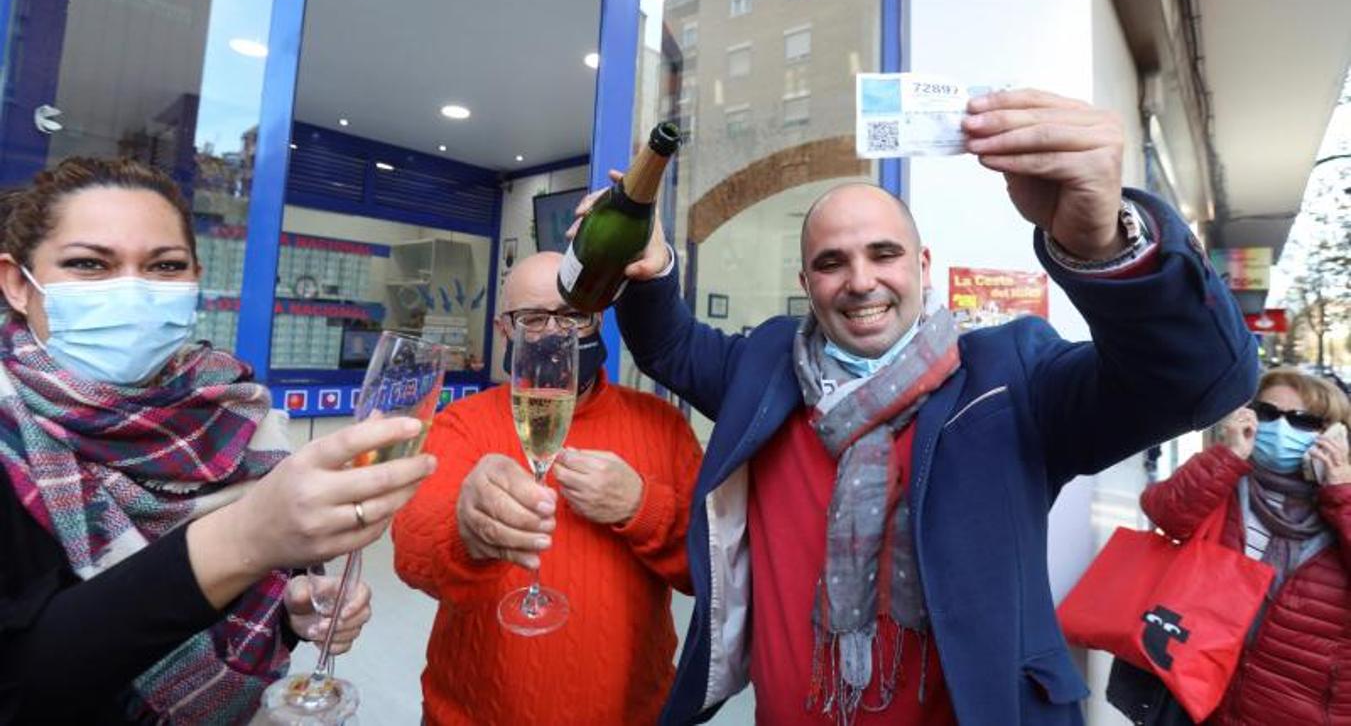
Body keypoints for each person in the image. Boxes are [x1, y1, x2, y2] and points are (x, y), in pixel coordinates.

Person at [602, 88, 1258, 725]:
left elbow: (1195, 383)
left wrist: (1102, 247)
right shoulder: (766, 368)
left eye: (882, 254)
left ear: (921, 264)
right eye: (831, 263)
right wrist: (651, 265)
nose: (860, 282)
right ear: (806, 284)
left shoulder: (1011, 375)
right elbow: (672, 349)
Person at [0, 157, 436, 724]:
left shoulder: (238, 411)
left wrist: (291, 614)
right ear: (16, 282)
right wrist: (245, 537)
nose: (132, 291)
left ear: (194, 278)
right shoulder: (13, 441)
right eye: (88, 263)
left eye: (164, 266)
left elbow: (251, 608)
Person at [392, 251, 702, 726]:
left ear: (596, 320)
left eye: (572, 315)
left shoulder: (662, 424)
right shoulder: (461, 424)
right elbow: (412, 555)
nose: (554, 334)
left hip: (634, 713)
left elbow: (709, 572)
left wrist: (643, 507)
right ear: (503, 332)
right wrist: (466, 529)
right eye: (533, 319)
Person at [1136, 368, 1351, 725]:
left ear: (1335, 432)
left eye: (1302, 420)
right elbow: (1165, 513)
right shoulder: (1226, 478)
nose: (1281, 429)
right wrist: (1228, 454)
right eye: (1267, 413)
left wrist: (1341, 492)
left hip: (1300, 707)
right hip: (1199, 695)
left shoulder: (1343, 497)